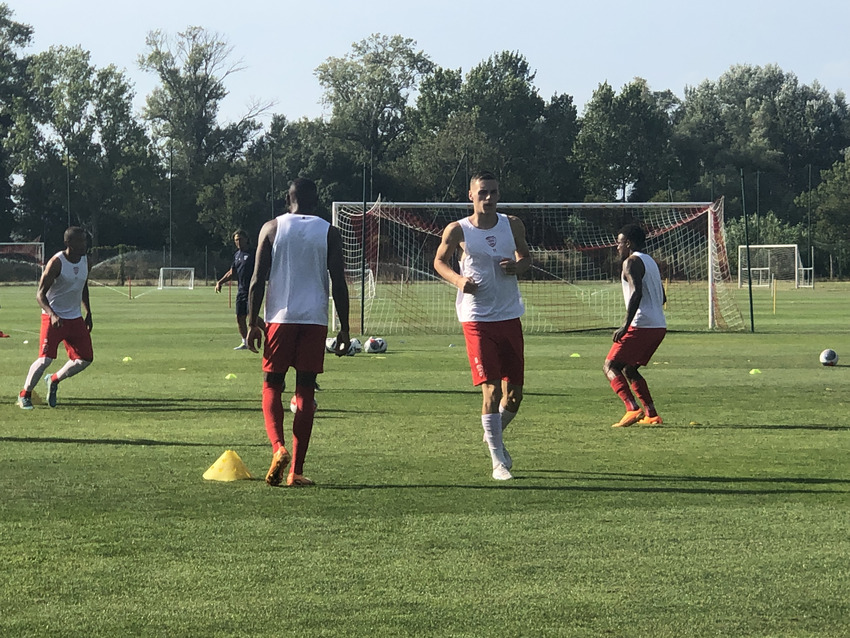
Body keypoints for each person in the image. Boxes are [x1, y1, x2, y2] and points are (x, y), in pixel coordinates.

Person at [247, 177, 351, 487]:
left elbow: (257, 279)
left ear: (286, 199)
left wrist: (253, 321)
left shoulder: (272, 227)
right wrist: (344, 328)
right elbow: (339, 282)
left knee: (272, 385)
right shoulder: (329, 231)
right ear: (316, 201)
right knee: (305, 389)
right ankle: (297, 471)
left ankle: (278, 448)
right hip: (314, 319)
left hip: (280, 317)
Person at [434, 171, 531, 481]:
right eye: (483, 193)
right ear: (470, 196)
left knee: (513, 395)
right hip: (477, 318)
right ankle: (497, 462)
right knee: (489, 389)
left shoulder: (512, 224)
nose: (488, 198)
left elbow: (527, 257)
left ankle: (492, 434)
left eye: (493, 192)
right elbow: (439, 262)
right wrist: (460, 281)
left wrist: (518, 266)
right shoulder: (458, 230)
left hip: (509, 315)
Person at [17, 226, 93, 410]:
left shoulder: (86, 261)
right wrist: (52, 314)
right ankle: (25, 394)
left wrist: (88, 312)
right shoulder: (56, 263)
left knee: (85, 359)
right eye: (80, 241)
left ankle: (53, 379)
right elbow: (40, 294)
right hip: (53, 317)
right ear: (68, 243)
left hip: (75, 318)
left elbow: (83, 286)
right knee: (45, 359)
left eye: (85, 240)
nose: (84, 245)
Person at [604, 223, 667, 428]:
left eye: (619, 242)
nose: (617, 246)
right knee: (630, 370)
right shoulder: (651, 262)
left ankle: (632, 408)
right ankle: (652, 414)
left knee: (610, 366)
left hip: (642, 325)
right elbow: (663, 296)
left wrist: (625, 325)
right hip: (659, 326)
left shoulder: (631, 262)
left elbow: (637, 293)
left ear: (628, 243)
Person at [215, 229, 255, 350]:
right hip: (241, 290)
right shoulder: (237, 255)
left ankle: (269, 334)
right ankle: (245, 342)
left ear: (246, 239)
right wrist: (220, 282)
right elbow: (232, 272)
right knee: (239, 317)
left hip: (252, 290)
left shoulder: (254, 253)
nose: (238, 242)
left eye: (240, 239)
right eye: (236, 240)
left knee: (252, 317)